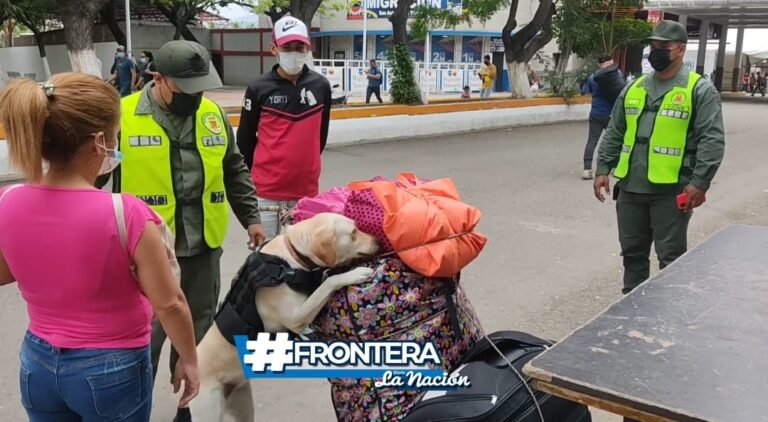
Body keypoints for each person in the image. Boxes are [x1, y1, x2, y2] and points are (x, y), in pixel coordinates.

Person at [0, 73, 199, 420]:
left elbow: (6, 273)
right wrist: (189, 358)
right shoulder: (126, 213)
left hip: (38, 363)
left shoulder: (9, 200)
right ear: (98, 142)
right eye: (115, 136)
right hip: (111, 367)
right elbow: (170, 304)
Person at [99, 39, 264, 412]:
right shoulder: (121, 115)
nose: (196, 95)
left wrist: (251, 217)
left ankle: (190, 413)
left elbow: (233, 168)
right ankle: (132, 412)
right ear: (159, 78)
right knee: (145, 341)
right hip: (145, 252)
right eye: (187, 87)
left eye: (201, 86)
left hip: (203, 248)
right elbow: (89, 177)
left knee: (199, 340)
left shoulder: (212, 115)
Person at [593, 21, 725, 302]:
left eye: (664, 47)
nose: (656, 52)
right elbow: (616, 129)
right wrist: (603, 168)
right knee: (632, 254)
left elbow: (711, 140)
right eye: (653, 47)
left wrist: (700, 182)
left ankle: (669, 314)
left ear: (680, 49)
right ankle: (632, 309)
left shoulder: (698, 90)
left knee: (672, 258)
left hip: (671, 190)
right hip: (630, 188)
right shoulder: (635, 87)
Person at [237, 15, 332, 239]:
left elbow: (321, 136)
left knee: (304, 259)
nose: (294, 52)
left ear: (308, 48)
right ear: (274, 48)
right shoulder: (258, 88)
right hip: (266, 194)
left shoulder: (321, 86)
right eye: (287, 47)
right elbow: (245, 141)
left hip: (306, 192)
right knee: (266, 258)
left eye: (300, 47)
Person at [580, 53, 624, 180]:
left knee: (592, 141)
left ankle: (587, 169)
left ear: (599, 64)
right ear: (612, 61)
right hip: (610, 115)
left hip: (595, 113)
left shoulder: (593, 77)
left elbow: (586, 90)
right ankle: (615, 167)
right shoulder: (617, 74)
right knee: (615, 141)